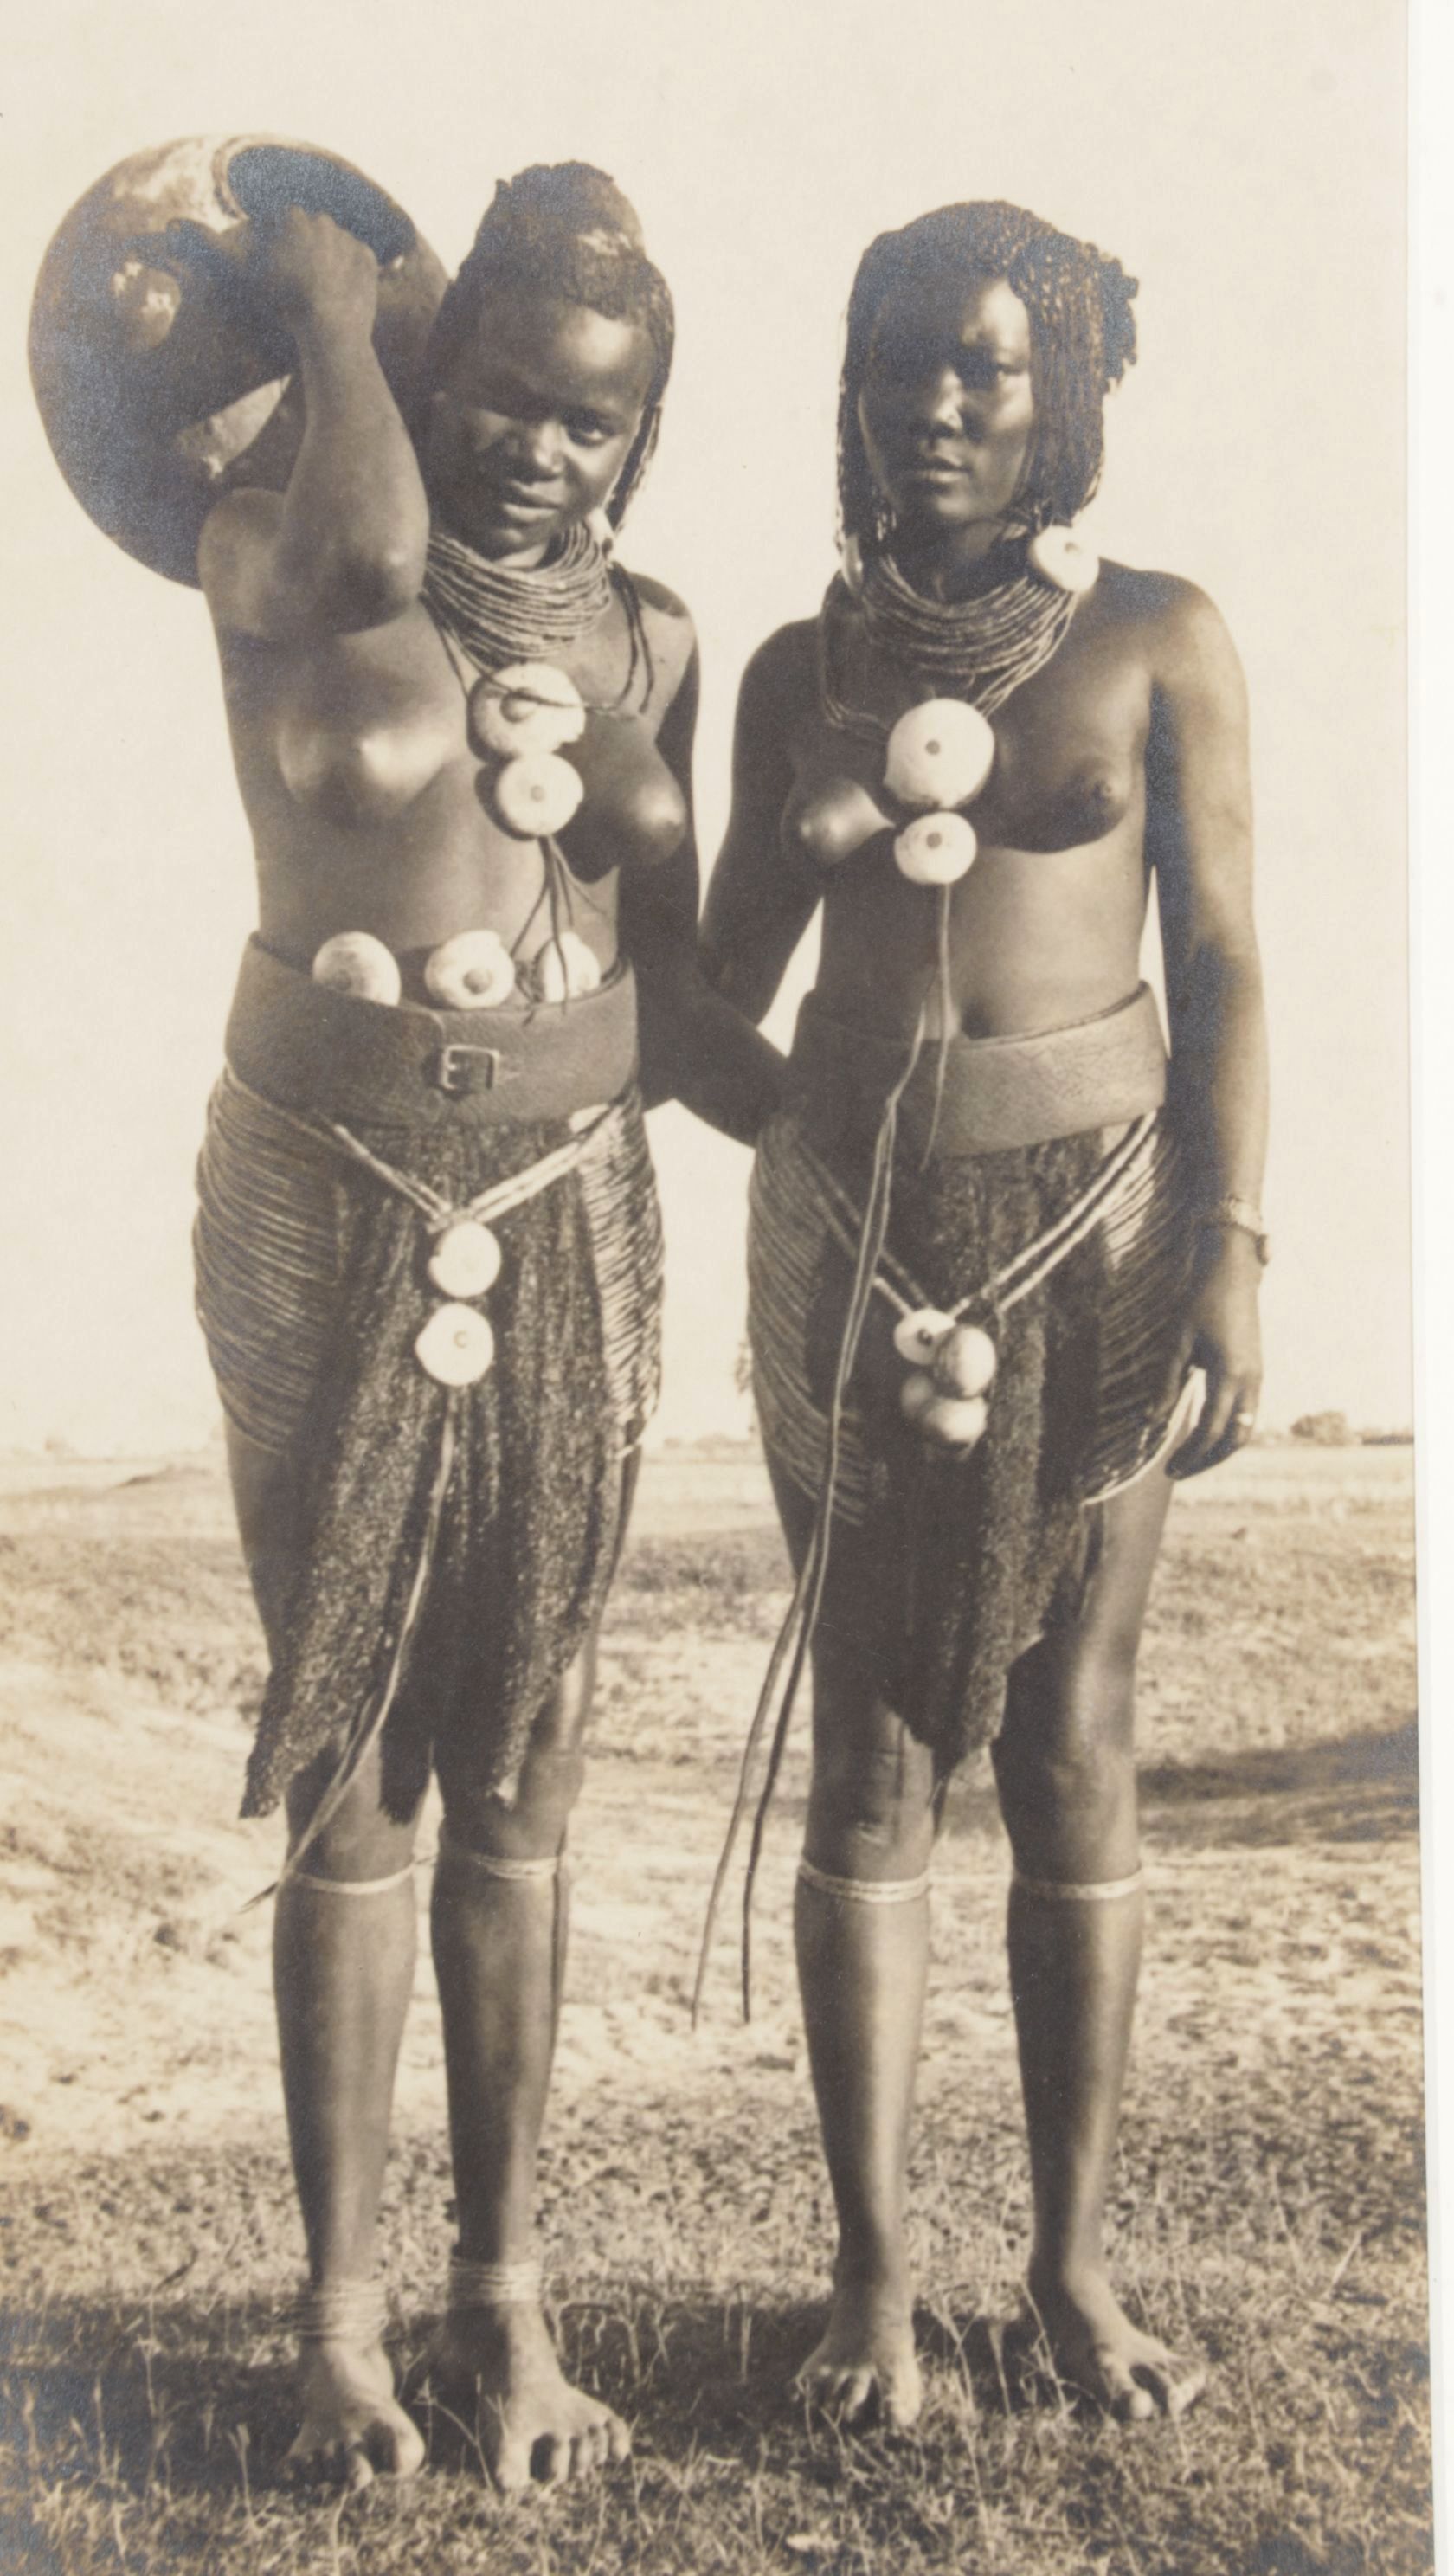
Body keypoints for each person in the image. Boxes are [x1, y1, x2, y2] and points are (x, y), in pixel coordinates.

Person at [190, 163, 777, 2491]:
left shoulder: (650, 637)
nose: (549, 455)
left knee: (526, 1763)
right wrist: (342, 333)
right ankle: (340, 2330)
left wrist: (892, 1118)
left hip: (570, 1205)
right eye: (510, 401)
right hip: (324, 1201)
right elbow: (360, 561)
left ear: (645, 438)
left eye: (596, 424)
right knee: (352, 1756)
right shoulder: (281, 547)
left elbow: (694, 1004)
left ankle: (502, 2316)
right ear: (444, 378)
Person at [700, 199, 1266, 2429]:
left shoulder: (1157, 641)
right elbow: (695, 1013)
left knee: (1072, 1738)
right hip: (857, 1255)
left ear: (1065, 402)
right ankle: (867, 2286)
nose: (935, 403)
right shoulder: (791, 675)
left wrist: (1231, 1239)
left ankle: (1070, 2270)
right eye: (898, 363)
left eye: (988, 369)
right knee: (871, 1746)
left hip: (1109, 1233)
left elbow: (1220, 965)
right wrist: (810, 866)